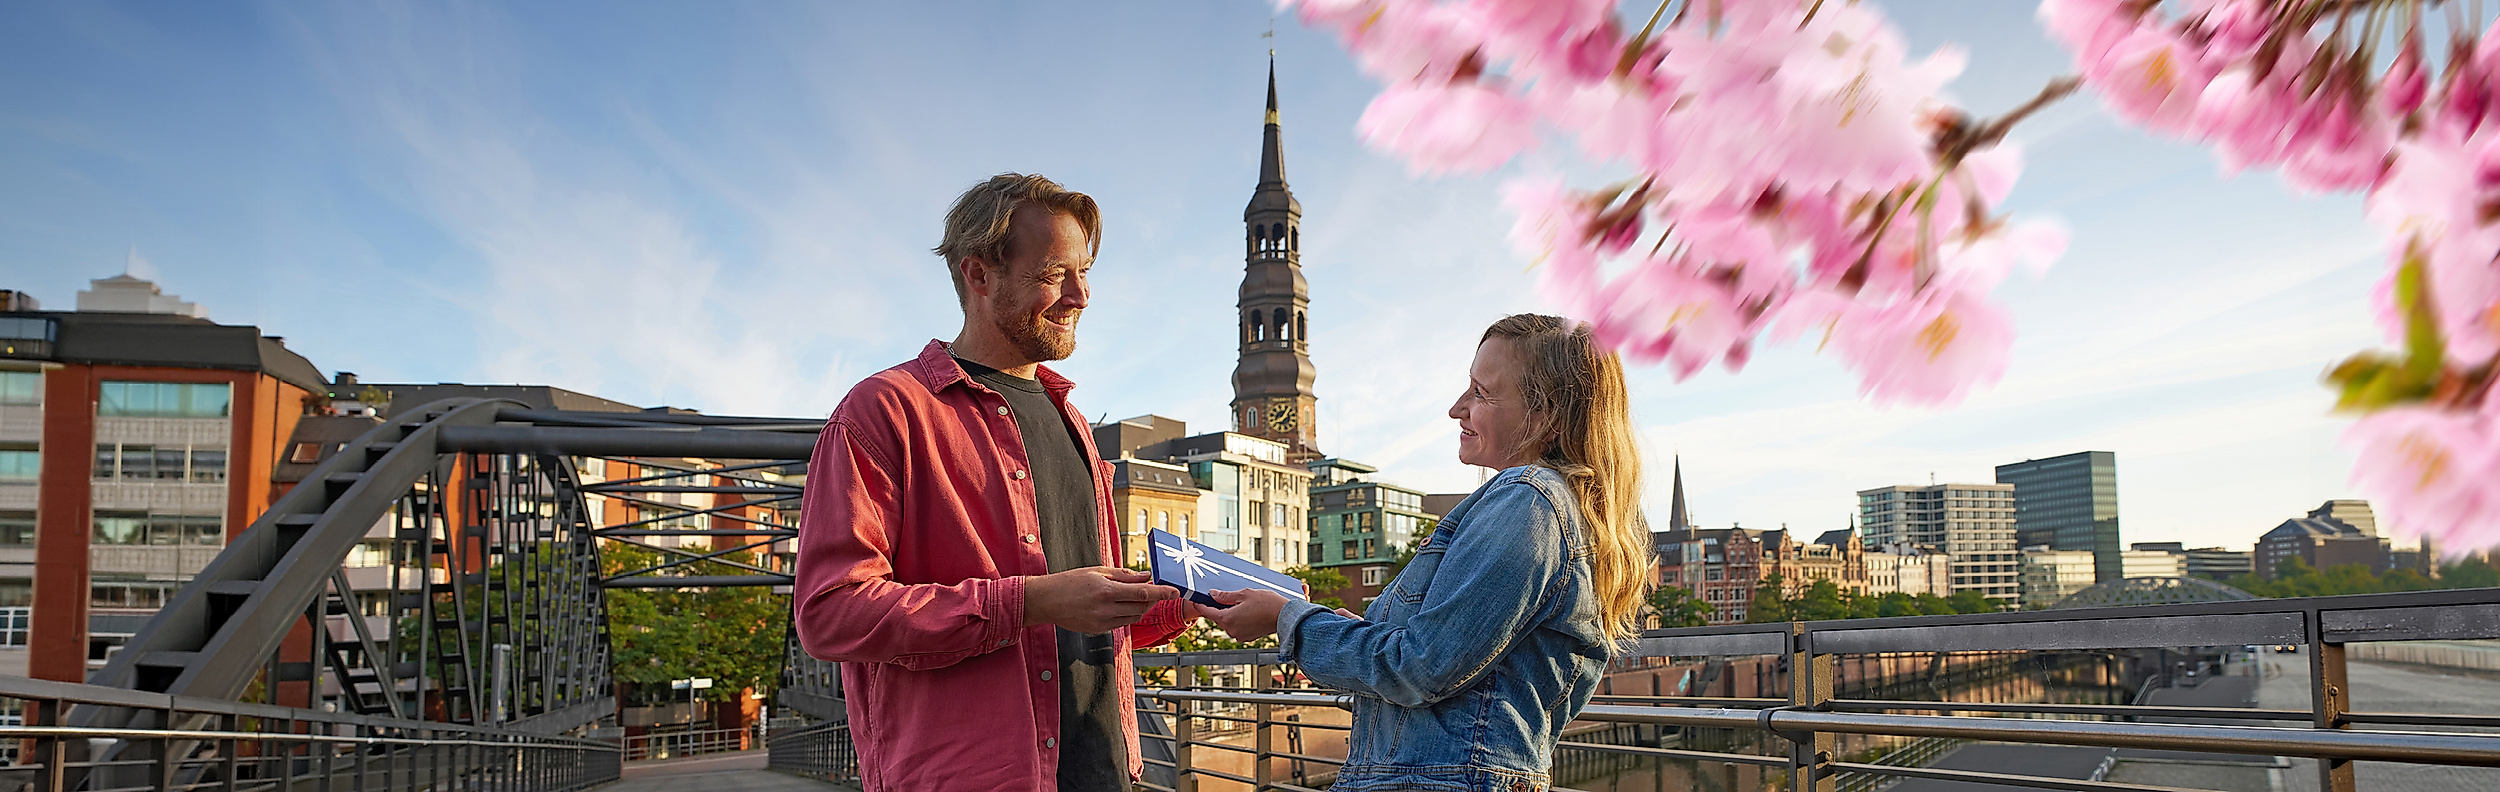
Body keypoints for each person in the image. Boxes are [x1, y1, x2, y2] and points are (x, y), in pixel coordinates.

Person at [795, 173, 1193, 792]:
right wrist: (1030, 600)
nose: (1080, 295)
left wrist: (1189, 602)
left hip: (1107, 773)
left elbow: (1081, 613)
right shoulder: (885, 410)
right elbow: (831, 614)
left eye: (1084, 271)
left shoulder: (1074, 423)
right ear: (978, 275)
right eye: (1052, 274)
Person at [1200, 314, 1650, 792]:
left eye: (1481, 392)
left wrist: (1288, 621)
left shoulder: (1529, 500)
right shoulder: (1557, 508)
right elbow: (1443, 659)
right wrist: (1340, 628)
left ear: (1547, 414)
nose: (1457, 408)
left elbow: (1420, 668)